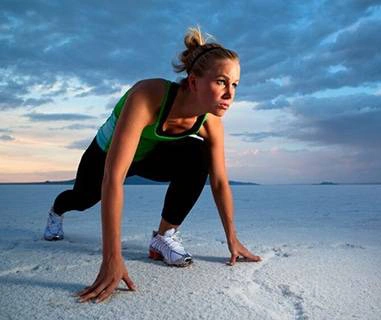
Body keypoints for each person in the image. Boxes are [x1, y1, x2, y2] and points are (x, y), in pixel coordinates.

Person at [41, 26, 262, 303]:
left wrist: (232, 238)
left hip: (150, 157)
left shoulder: (210, 122)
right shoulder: (148, 95)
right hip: (106, 155)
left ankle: (164, 236)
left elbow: (218, 182)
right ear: (193, 82)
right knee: (83, 198)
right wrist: (112, 258)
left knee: (197, 153)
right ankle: (56, 211)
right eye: (221, 82)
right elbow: (113, 176)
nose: (230, 94)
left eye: (235, 85)